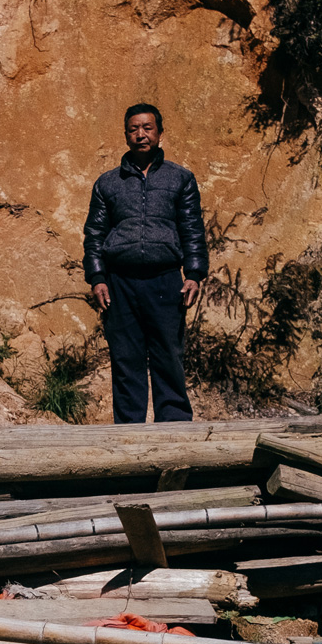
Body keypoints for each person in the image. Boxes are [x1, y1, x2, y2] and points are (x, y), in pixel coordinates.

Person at [83, 103, 207, 423]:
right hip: (119, 284)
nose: (141, 134)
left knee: (169, 359)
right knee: (126, 363)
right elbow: (95, 234)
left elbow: (192, 229)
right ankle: (129, 442)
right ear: (126, 136)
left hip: (165, 281)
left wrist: (193, 274)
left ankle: (175, 438)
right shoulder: (108, 183)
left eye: (147, 128)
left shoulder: (180, 179)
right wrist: (97, 277)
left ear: (160, 133)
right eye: (134, 129)